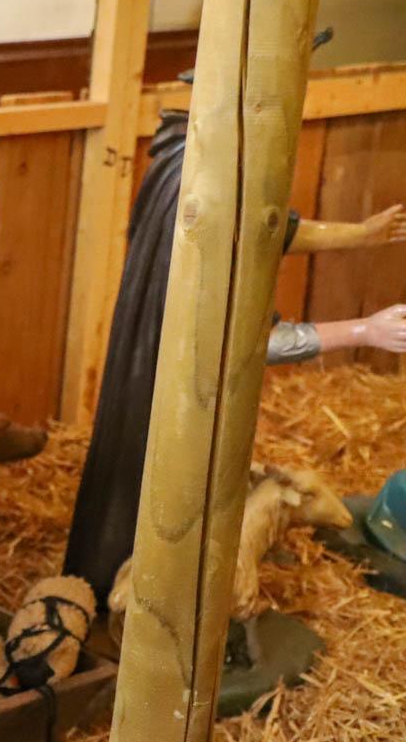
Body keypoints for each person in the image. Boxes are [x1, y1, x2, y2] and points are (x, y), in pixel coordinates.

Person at [64, 102, 406, 603]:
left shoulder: (197, 161)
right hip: (184, 405)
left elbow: (268, 229)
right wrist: (363, 329)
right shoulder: (211, 191)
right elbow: (244, 343)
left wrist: (360, 234)